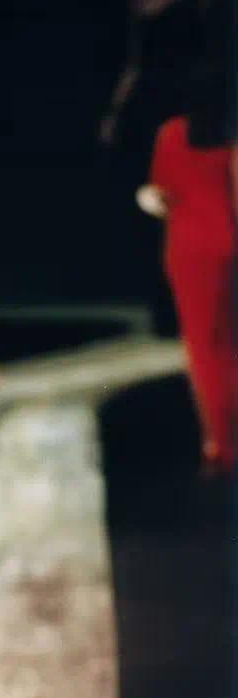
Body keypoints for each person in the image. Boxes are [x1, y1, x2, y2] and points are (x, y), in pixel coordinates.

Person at [98, 0, 214, 334]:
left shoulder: (198, 0)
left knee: (194, 203)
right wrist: (115, 113)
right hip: (150, 108)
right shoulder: (142, 4)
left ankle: (194, 307)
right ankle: (164, 307)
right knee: (153, 206)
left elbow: (207, 56)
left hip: (188, 104)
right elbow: (134, 64)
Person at [137, 63, 237, 474]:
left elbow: (159, 194)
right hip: (226, 242)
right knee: (229, 342)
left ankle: (218, 442)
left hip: (187, 248)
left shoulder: (171, 134)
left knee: (202, 347)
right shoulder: (230, 138)